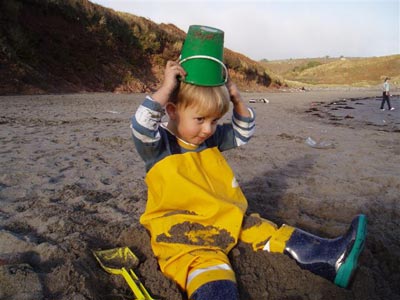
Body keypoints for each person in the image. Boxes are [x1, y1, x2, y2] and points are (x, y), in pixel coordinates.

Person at [131, 25, 367, 300]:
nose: (208, 129)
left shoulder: (209, 139)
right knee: (211, 274)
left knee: (268, 231)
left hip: (227, 221)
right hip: (185, 238)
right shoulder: (159, 146)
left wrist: (237, 98)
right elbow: (141, 124)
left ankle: (330, 258)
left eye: (214, 120)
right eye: (199, 119)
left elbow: (243, 134)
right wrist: (166, 88)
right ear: (171, 111)